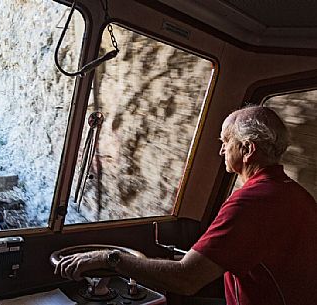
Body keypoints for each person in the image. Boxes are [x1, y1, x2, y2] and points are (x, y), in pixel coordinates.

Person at [55, 105, 317, 305]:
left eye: (226, 142)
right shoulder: (295, 195)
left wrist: (110, 259)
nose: (221, 151)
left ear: (247, 150)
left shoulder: (252, 202)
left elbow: (187, 278)